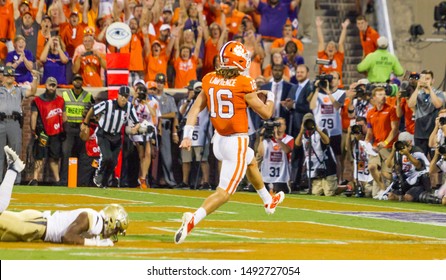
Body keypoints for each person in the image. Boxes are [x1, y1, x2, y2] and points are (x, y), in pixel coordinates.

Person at [174, 41, 285, 244]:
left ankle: (269, 201)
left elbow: (195, 109)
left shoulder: (209, 79)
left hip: (219, 142)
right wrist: (270, 96)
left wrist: (187, 135)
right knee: (224, 193)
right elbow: (267, 113)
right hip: (236, 142)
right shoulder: (244, 83)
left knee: (250, 160)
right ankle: (193, 219)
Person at [0, 146, 129, 245]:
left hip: (37, 227)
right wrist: (97, 244)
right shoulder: (94, 219)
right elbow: (68, 237)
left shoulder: (95, 223)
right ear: (111, 221)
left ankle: (13, 169)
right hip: (38, 225)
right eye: (116, 229)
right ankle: (13, 169)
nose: (114, 233)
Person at [81, 86, 140, 189]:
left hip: (116, 136)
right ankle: (98, 175)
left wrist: (135, 128)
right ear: (118, 95)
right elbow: (92, 109)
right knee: (107, 156)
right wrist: (86, 123)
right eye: (122, 96)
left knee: (114, 162)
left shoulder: (129, 107)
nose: (123, 99)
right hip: (103, 134)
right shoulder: (108, 104)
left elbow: (137, 122)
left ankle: (104, 182)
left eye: (126, 97)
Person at [0, 66, 38, 184]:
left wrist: (35, 77)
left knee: (15, 153)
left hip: (14, 122)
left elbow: (32, 91)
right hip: (0, 122)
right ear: (3, 77)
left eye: (12, 75)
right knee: (0, 153)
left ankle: (15, 180)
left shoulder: (19, 89)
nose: (10, 77)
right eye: (8, 75)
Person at [309, 71, 346, 184]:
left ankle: (339, 180)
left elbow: (336, 106)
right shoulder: (318, 94)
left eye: (334, 78)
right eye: (331, 78)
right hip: (320, 131)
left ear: (339, 81)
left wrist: (329, 92)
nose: (332, 80)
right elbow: (312, 106)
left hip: (334, 130)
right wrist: (316, 89)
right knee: (320, 155)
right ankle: (320, 181)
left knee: (337, 157)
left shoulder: (340, 93)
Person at [29, 77, 66, 186]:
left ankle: (57, 180)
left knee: (54, 157)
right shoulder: (37, 101)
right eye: (50, 85)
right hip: (42, 132)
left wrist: (65, 129)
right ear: (45, 85)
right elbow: (34, 116)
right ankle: (35, 179)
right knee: (39, 156)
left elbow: (64, 116)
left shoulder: (61, 100)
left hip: (56, 133)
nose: (52, 87)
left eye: (54, 85)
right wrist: (33, 130)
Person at [281, 64, 312, 190]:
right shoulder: (294, 88)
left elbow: (310, 107)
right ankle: (294, 181)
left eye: (302, 72)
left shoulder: (310, 88)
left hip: (305, 127)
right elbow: (291, 106)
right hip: (293, 126)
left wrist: (293, 105)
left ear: (307, 73)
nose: (299, 74)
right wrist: (287, 105)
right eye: (298, 72)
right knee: (295, 155)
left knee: (305, 155)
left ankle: (304, 181)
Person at [59, 74, 94, 186]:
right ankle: (64, 180)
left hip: (81, 127)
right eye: (76, 80)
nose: (77, 82)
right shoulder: (65, 94)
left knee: (82, 155)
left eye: (79, 80)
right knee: (66, 153)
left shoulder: (88, 95)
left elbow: (93, 110)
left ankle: (80, 181)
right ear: (72, 82)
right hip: (69, 127)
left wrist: (87, 118)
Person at [365, 86, 399, 196]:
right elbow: (370, 131)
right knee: (372, 167)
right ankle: (383, 188)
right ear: (374, 97)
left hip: (388, 147)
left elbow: (394, 129)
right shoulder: (370, 112)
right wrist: (366, 141)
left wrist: (385, 142)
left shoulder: (391, 109)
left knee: (386, 173)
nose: (383, 97)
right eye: (379, 95)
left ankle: (386, 190)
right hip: (375, 146)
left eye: (384, 94)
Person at [178, 81, 211, 190]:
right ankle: (185, 181)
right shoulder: (186, 101)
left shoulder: (207, 102)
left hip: (201, 135)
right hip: (189, 135)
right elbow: (181, 112)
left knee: (203, 160)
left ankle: (206, 182)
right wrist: (189, 100)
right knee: (186, 160)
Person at [295, 113, 337, 196]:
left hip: (326, 168)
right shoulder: (303, 134)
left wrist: (318, 130)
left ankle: (343, 187)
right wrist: (300, 132)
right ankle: (335, 186)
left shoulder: (322, 130)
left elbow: (327, 141)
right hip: (315, 171)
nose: (309, 125)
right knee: (316, 193)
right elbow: (297, 145)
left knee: (329, 193)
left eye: (310, 122)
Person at [383, 132, 431, 203]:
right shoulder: (398, 152)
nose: (402, 145)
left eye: (403, 142)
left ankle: (410, 196)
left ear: (410, 142)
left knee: (408, 197)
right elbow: (388, 165)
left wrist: (407, 154)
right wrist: (393, 151)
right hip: (404, 180)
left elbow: (418, 165)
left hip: (417, 181)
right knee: (390, 196)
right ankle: (401, 197)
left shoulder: (417, 151)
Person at [408, 70, 445, 158]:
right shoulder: (418, 94)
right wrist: (417, 88)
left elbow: (437, 104)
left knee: (435, 161)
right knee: (420, 161)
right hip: (419, 134)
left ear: (433, 81)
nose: (425, 81)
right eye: (423, 78)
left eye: (427, 79)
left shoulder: (439, 93)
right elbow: (410, 104)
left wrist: (429, 88)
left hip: (434, 134)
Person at [152, 73, 178, 187]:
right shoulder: (150, 97)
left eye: (161, 83)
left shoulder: (169, 98)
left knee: (167, 156)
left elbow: (173, 114)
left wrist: (159, 116)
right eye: (158, 82)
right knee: (153, 156)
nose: (159, 85)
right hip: (152, 129)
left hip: (165, 128)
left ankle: (170, 180)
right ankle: (152, 180)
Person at [258, 117, 294, 194]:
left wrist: (277, 139)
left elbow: (287, 150)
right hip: (266, 177)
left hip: (281, 178)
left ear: (285, 126)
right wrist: (261, 138)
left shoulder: (289, 139)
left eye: (281, 124)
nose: (280, 126)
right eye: (277, 124)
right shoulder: (267, 140)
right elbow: (261, 153)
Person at [316, 16, 349, 88]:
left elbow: (340, 43)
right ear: (325, 50)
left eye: (333, 47)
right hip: (324, 87)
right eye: (328, 47)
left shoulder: (339, 57)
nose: (330, 48)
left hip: (338, 87)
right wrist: (318, 27)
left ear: (336, 51)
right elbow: (321, 42)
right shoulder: (322, 57)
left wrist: (344, 28)